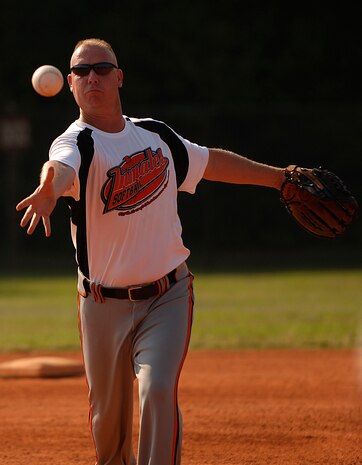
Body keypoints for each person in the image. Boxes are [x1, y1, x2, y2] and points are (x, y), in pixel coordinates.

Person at [16, 38, 286, 465]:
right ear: (69, 84)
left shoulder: (156, 135)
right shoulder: (78, 144)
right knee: (109, 422)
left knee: (157, 387)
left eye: (101, 68)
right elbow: (59, 166)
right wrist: (48, 189)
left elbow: (211, 162)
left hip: (168, 295)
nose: (92, 78)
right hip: (102, 304)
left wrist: (281, 179)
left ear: (118, 77)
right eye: (81, 72)